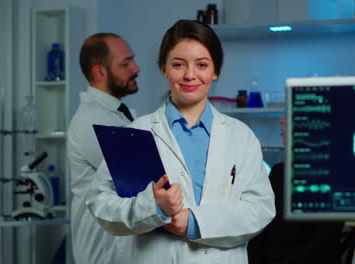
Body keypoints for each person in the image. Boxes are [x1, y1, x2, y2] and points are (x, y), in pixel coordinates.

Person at [86, 20, 275, 263]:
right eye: (178, 64)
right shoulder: (136, 133)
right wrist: (153, 207)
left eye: (202, 65)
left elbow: (260, 209)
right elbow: (101, 203)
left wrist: (195, 222)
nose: (189, 75)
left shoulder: (241, 136)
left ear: (215, 71)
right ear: (163, 68)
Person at [67, 33, 140, 264]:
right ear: (100, 72)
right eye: (125, 63)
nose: (136, 68)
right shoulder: (92, 122)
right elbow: (140, 178)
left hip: (122, 247)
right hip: (104, 252)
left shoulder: (114, 114)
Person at [247, 117, 345, 264]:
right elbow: (260, 231)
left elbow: (323, 244)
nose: (281, 121)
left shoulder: (329, 177)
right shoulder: (279, 172)